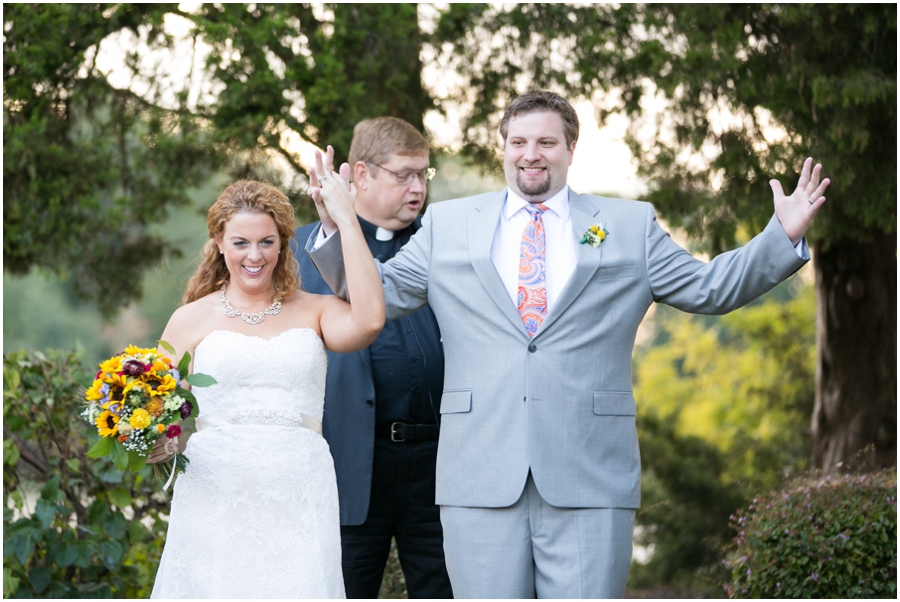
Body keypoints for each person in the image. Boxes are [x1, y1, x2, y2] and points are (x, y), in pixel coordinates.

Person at [306, 90, 830, 598]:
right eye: (518, 142)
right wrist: (336, 230)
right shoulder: (449, 225)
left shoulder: (627, 226)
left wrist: (778, 238)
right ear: (504, 148)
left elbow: (710, 287)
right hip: (479, 475)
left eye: (546, 143)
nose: (531, 154)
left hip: (590, 475)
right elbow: (371, 293)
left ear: (571, 150)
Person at [148, 178, 384, 598]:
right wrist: (157, 441)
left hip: (299, 486)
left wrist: (347, 221)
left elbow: (368, 322)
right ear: (219, 242)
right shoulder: (189, 319)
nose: (254, 256)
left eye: (266, 242)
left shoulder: (315, 310)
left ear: (283, 245)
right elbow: (154, 406)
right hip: (214, 489)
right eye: (240, 242)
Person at [293, 117, 453, 599]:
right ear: (360, 175)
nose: (417, 187)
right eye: (403, 174)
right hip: (350, 460)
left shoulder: (444, 246)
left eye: (424, 175)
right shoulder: (303, 250)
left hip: (439, 463)